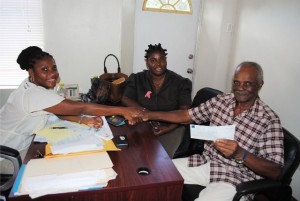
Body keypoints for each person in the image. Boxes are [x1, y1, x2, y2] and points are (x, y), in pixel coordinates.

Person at [142, 62, 284, 201]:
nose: (240, 88)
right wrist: (150, 114)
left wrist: (241, 154)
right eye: (236, 82)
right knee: (156, 174)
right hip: (206, 162)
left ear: (259, 84)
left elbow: (275, 171)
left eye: (247, 83)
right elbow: (187, 116)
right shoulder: (222, 101)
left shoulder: (269, 120)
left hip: (235, 178)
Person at [0, 46, 142, 160]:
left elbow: (59, 109)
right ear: (31, 72)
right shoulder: (33, 94)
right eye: (44, 70)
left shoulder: (39, 85)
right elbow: (82, 107)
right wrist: (124, 111)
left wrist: (83, 120)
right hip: (8, 155)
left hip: (24, 144)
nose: (52, 74)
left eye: (54, 68)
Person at [121, 43, 192, 158]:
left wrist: (168, 127)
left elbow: (185, 112)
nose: (158, 64)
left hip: (172, 127)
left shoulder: (181, 83)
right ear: (147, 62)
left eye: (162, 59)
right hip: (142, 124)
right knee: (133, 154)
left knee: (163, 161)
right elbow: (125, 98)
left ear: (166, 60)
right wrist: (147, 114)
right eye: (153, 60)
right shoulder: (137, 78)